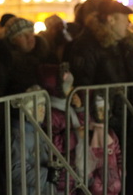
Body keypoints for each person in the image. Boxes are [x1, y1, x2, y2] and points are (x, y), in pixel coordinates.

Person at [36, 63, 86, 194]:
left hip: (73, 167)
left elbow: (82, 126)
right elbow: (52, 144)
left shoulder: (69, 108)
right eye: (69, 87)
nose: (73, 89)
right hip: (62, 170)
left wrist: (80, 109)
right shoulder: (51, 114)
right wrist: (75, 136)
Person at [11, 85, 56, 195]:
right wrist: (46, 175)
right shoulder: (19, 136)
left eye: (43, 105)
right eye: (38, 105)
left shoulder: (36, 130)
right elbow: (16, 171)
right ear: (28, 110)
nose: (43, 109)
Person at [2, 16, 56, 95]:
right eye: (21, 35)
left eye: (30, 32)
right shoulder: (7, 63)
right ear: (12, 41)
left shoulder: (48, 56)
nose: (29, 37)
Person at [88, 93, 122, 195]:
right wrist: (91, 178)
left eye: (104, 109)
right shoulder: (89, 135)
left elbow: (118, 153)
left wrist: (120, 171)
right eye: (99, 110)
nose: (102, 113)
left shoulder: (111, 133)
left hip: (113, 180)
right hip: (96, 183)